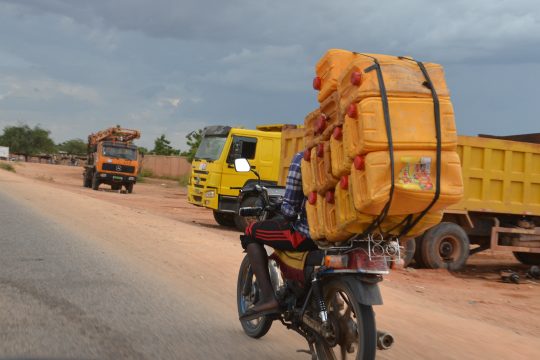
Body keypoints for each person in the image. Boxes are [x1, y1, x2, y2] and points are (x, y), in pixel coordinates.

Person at [239, 151, 317, 320]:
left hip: (308, 235)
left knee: (251, 232)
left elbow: (289, 212)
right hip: (345, 237)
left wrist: (283, 207)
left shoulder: (303, 158)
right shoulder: (350, 156)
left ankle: (268, 298)